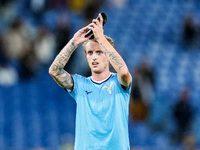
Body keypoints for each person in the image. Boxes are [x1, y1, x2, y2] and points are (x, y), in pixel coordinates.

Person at [49, 13, 132, 150]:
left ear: (108, 55)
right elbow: (54, 71)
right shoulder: (80, 85)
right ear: (86, 57)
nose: (94, 57)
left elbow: (123, 72)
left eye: (99, 52)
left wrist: (101, 39)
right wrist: (74, 41)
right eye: (90, 53)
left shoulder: (119, 83)